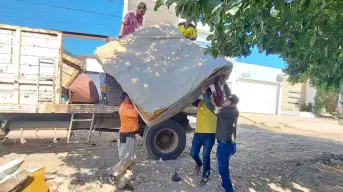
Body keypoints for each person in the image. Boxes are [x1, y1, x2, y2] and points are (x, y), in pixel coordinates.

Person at [202, 83, 239, 192]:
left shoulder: (225, 112)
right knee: (224, 165)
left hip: (224, 145)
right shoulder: (235, 110)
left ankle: (228, 189)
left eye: (227, 101)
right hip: (231, 144)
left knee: (223, 169)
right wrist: (225, 85)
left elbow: (210, 106)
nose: (224, 102)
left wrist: (204, 94)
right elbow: (230, 96)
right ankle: (224, 184)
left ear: (232, 104)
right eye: (226, 100)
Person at [107, 92, 139, 189]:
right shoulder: (123, 108)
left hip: (131, 136)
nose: (131, 97)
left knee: (132, 160)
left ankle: (124, 180)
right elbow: (135, 113)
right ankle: (112, 171)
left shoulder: (129, 106)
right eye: (129, 96)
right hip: (126, 136)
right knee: (126, 159)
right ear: (125, 97)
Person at [190, 87, 217, 186]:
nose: (206, 94)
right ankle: (199, 163)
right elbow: (191, 99)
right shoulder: (200, 102)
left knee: (206, 155)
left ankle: (205, 175)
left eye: (207, 93)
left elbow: (217, 96)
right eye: (205, 93)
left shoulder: (214, 103)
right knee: (193, 153)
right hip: (198, 133)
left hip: (210, 134)